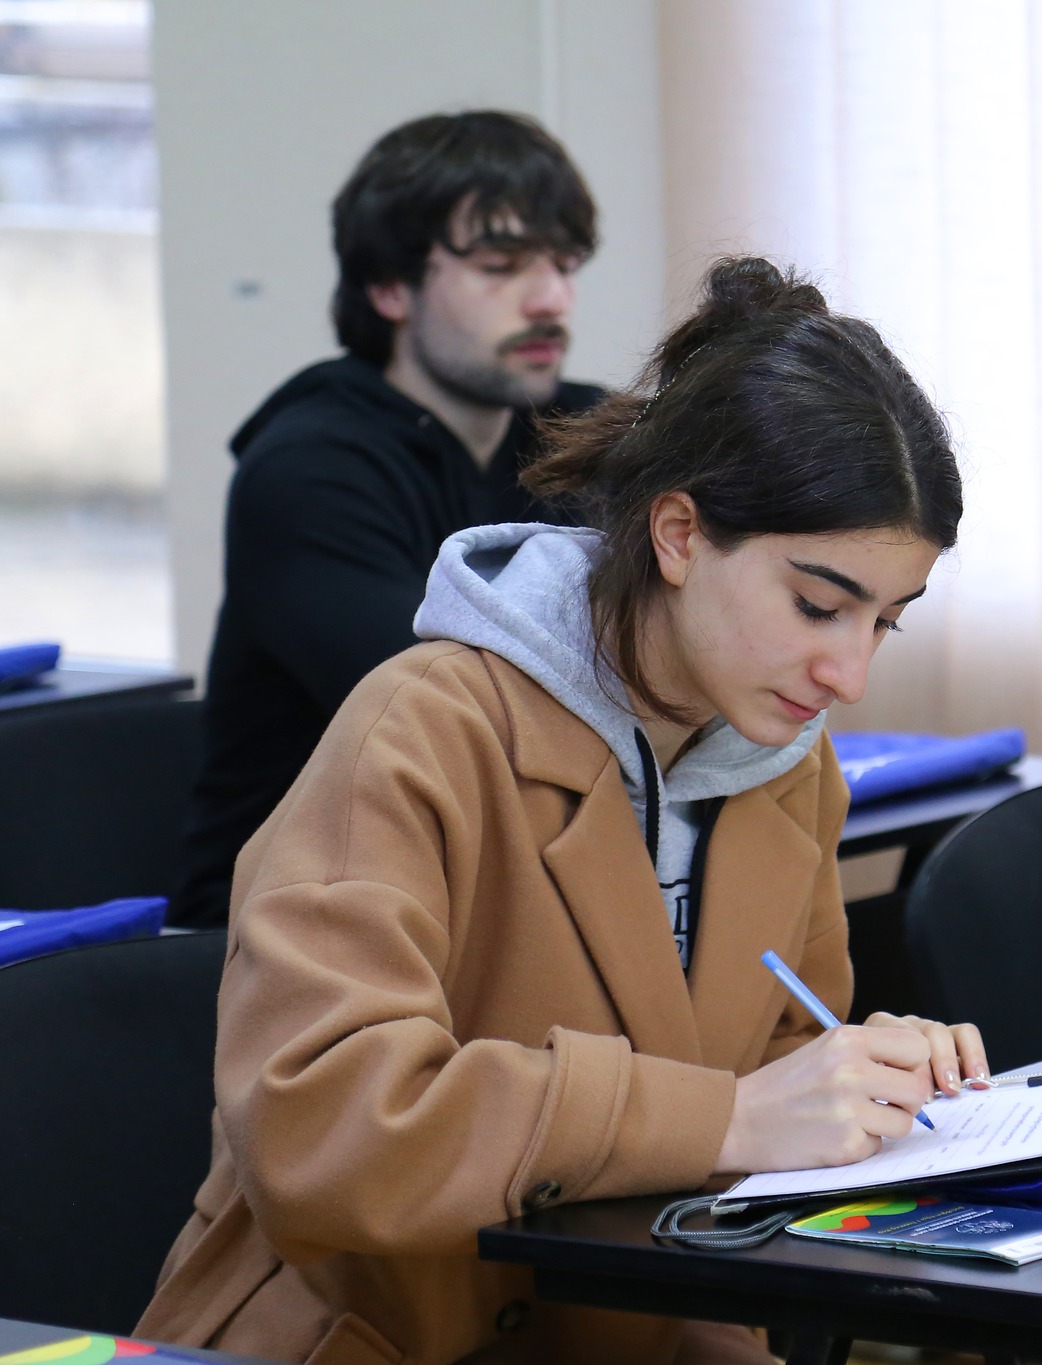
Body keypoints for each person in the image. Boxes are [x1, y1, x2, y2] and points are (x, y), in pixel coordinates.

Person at [136, 258, 986, 1365]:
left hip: (636, 1326)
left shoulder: (785, 765)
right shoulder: (422, 728)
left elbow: (766, 1109)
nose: (849, 674)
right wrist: (732, 1117)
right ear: (678, 536)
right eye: (818, 604)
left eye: (886, 621)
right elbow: (325, 1125)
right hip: (366, 1339)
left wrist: (868, 1093)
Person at [170, 110, 606, 928]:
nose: (551, 298)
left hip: (489, 891)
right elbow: (452, 721)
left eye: (564, 262)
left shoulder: (581, 437)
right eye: (502, 266)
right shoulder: (308, 469)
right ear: (389, 288)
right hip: (291, 926)